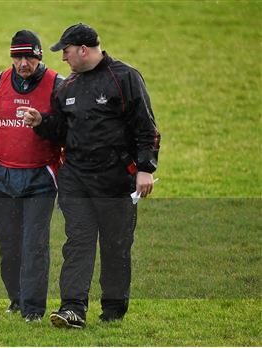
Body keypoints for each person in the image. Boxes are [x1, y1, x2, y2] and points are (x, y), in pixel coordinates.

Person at [22, 23, 160, 328]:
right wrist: (41, 122)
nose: (63, 59)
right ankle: (72, 309)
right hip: (76, 180)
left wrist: (146, 169)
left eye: (66, 52)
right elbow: (60, 131)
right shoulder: (68, 86)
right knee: (78, 241)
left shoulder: (125, 78)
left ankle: (113, 309)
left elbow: (146, 128)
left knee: (115, 245)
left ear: (83, 50)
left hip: (116, 182)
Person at [0, 30, 64, 323]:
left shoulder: (57, 86)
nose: (24, 63)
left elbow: (67, 134)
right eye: (18, 57)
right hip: (1, 180)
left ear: (40, 57)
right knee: (9, 244)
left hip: (40, 179)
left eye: (30, 57)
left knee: (34, 244)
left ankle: (33, 310)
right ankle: (16, 299)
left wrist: (43, 123)